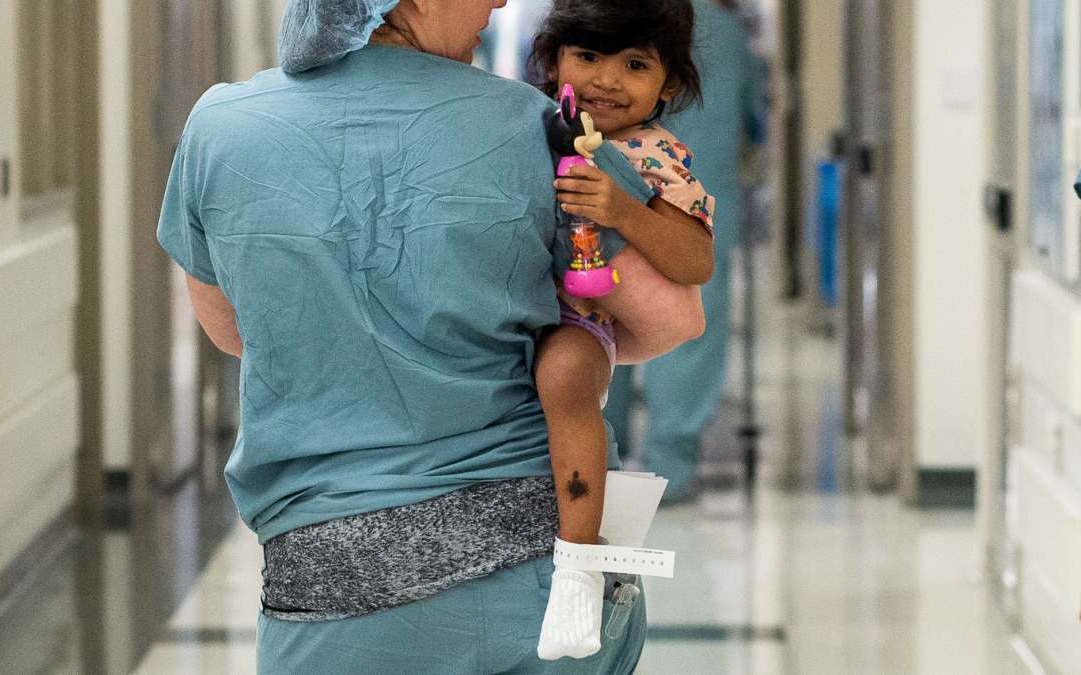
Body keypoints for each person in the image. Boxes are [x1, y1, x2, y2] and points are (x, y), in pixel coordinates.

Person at [155, 0, 705, 672]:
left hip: (328, 589)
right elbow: (674, 317)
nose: (501, 2)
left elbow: (234, 330)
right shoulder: (541, 130)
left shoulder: (219, 129)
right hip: (539, 587)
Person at [526, 0, 715, 660]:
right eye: (588, 56)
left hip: (580, 315)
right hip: (495, 305)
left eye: (634, 64)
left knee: (567, 374)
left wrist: (626, 210)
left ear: (667, 87)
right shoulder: (521, 126)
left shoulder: (657, 157)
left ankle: (577, 565)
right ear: (553, 64)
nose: (607, 78)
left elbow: (696, 259)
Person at [604, 0, 767, 501]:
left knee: (603, 321)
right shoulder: (723, 33)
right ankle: (668, 468)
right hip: (695, 207)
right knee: (689, 328)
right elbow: (756, 121)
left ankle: (603, 456)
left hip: (607, 197)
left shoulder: (605, 20)